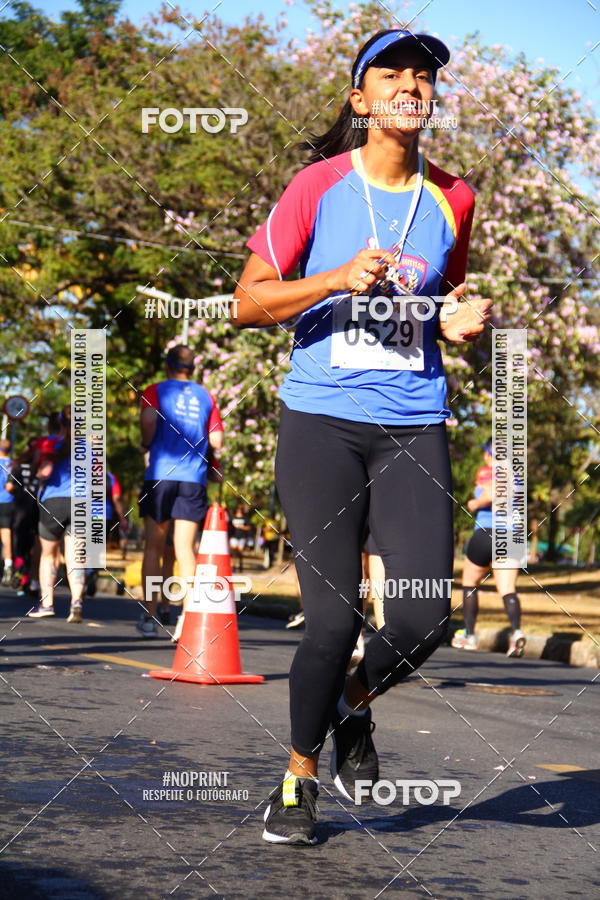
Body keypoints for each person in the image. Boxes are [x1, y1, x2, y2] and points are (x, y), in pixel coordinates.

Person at [233, 28, 492, 844]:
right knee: (336, 618)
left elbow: (447, 310)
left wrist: (467, 329)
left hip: (413, 422)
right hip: (321, 421)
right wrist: (336, 278)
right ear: (361, 99)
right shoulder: (316, 187)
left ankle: (352, 706)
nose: (412, 84)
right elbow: (248, 302)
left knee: (423, 619)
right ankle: (297, 779)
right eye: (395, 73)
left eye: (424, 75)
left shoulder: (452, 197)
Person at [137, 345, 224, 639]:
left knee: (153, 546)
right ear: (192, 367)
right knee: (185, 549)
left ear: (167, 364)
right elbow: (218, 440)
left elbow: (149, 422)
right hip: (193, 479)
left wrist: (147, 443)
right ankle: (187, 618)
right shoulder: (206, 396)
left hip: (161, 474)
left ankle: (149, 616)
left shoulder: (154, 390)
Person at [452, 440, 527, 657]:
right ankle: (516, 633)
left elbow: (494, 493)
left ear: (489, 454)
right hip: (511, 535)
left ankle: (470, 635)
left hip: (487, 532)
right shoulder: (517, 476)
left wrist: (475, 503)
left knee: (469, 583)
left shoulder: (489, 472)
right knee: (507, 589)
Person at [28, 407, 87, 622]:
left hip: (53, 501)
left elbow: (43, 472)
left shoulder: (52, 443)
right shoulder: (90, 447)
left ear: (61, 423)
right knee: (75, 555)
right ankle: (76, 602)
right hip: (81, 502)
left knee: (48, 555)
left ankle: (47, 603)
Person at [5, 437, 40, 596]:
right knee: (37, 546)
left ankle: (21, 572)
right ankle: (34, 581)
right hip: (39, 509)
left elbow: (10, 486)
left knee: (19, 544)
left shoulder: (18, 467)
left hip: (20, 509)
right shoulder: (42, 466)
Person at [0, 439, 15, 586]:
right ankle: (8, 564)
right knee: (6, 534)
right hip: (8, 501)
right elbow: (11, 486)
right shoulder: (12, 464)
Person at [229, 503, 251, 572]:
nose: (239, 510)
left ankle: (240, 565)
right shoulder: (233, 517)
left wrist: (241, 527)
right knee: (233, 552)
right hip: (234, 536)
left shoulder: (245, 518)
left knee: (240, 552)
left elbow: (249, 527)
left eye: (241, 508)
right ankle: (233, 566)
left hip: (242, 537)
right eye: (238, 508)